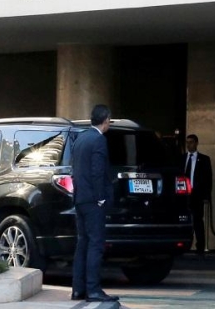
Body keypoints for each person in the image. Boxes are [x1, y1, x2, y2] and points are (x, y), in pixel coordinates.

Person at [71, 104, 118, 303]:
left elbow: (76, 169)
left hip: (80, 199)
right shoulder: (99, 140)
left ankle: (78, 289)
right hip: (93, 201)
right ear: (106, 120)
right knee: (96, 245)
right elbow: (97, 171)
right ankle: (94, 290)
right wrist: (101, 197)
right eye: (109, 120)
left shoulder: (80, 138)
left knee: (83, 244)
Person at [184, 133, 212, 255]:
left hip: (197, 194)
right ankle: (185, 245)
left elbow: (208, 179)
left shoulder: (204, 159)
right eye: (187, 142)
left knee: (198, 221)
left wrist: (206, 196)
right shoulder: (181, 158)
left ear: (196, 143)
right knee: (185, 220)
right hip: (184, 194)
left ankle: (200, 247)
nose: (188, 145)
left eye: (191, 142)